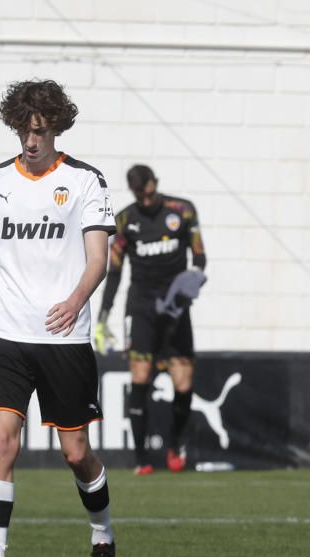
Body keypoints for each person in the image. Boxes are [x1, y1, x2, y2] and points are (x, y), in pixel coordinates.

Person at [0, 79, 118, 557]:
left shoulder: (86, 181)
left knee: (76, 452)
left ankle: (102, 537)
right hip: (5, 337)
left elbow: (100, 259)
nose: (31, 141)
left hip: (64, 340)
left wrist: (74, 302)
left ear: (56, 129)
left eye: (41, 131)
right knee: (2, 442)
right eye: (24, 131)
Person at [94, 165, 207, 475]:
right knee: (140, 377)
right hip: (141, 308)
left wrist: (190, 285)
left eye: (147, 193)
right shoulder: (125, 220)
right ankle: (141, 458)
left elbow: (199, 258)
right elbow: (114, 272)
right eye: (138, 196)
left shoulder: (182, 211)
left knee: (183, 382)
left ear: (155, 184)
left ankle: (175, 447)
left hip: (176, 308)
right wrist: (103, 318)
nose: (145, 201)